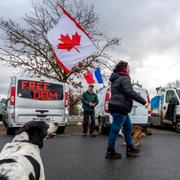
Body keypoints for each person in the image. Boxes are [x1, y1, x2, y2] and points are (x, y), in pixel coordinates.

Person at [105, 60, 149, 159]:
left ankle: (129, 148)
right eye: (128, 67)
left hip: (119, 107)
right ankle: (110, 151)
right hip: (120, 107)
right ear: (124, 68)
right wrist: (144, 102)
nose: (130, 69)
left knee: (128, 127)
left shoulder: (116, 79)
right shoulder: (124, 78)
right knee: (115, 129)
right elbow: (130, 92)